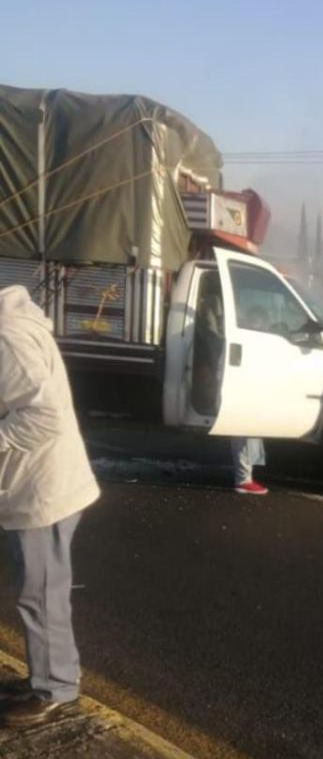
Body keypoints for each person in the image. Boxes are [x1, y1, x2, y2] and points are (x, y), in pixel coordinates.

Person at [0, 285, 100, 727]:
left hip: (42, 487)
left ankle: (55, 688)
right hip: (41, 482)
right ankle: (48, 675)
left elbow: (43, 415)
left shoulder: (5, 337)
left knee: (40, 593)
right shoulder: (12, 327)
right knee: (42, 590)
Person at [193, 273, 268, 495]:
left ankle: (245, 475)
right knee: (244, 427)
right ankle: (243, 479)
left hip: (230, 380)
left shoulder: (224, 322)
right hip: (230, 382)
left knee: (247, 427)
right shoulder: (226, 325)